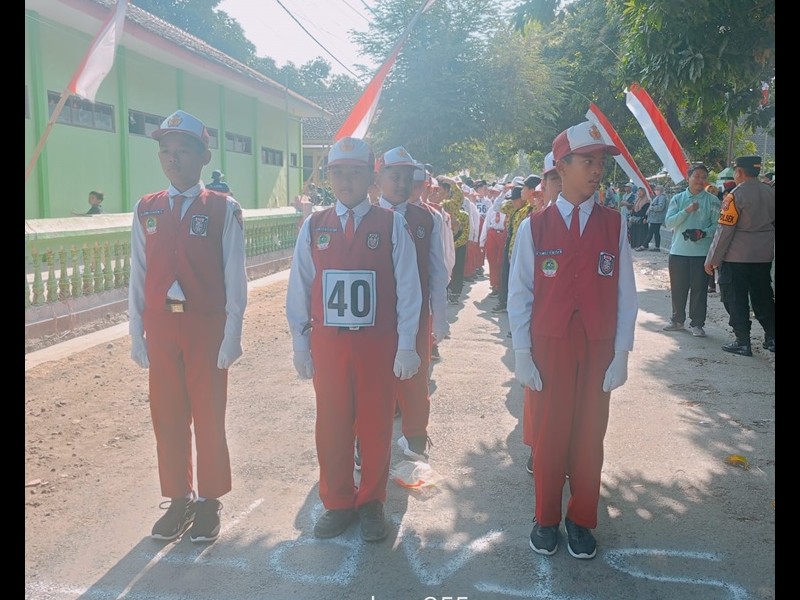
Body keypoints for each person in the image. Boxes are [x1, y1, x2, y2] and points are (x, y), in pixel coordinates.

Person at [507, 121, 637, 560]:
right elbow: (520, 294)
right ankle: (545, 517)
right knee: (549, 435)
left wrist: (622, 352)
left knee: (589, 435)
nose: (597, 170)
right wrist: (522, 353)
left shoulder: (614, 225)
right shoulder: (535, 227)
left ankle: (581, 518)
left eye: (600, 162)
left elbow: (626, 293)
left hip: (597, 345)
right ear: (561, 166)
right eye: (587, 161)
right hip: (550, 345)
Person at [285, 136, 422, 543]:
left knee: (376, 424)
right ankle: (338, 500)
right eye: (338, 172)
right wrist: (299, 343)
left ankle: (371, 501)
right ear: (328, 177)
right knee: (331, 424)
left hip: (376, 343)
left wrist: (407, 343)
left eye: (356, 173)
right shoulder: (315, 225)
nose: (346, 181)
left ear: (371, 178)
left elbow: (408, 287)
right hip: (329, 344)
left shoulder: (390, 224)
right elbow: (299, 286)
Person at [128, 109, 248, 544]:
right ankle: (178, 499)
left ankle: (209, 501)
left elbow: (235, 275)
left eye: (182, 150)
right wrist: (135, 331)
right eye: (166, 150)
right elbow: (138, 273)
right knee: (167, 416)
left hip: (205, 328)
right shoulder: (147, 208)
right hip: (161, 327)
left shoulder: (222, 208)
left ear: (203, 156)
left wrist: (233, 334)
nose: (173, 158)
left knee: (208, 415)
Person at [375, 147, 449, 462]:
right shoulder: (367, 217)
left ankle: (416, 436)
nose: (402, 184)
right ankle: (365, 441)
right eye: (395, 176)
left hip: (416, 315)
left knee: (416, 378)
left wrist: (440, 317)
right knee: (372, 377)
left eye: (407, 177)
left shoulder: (426, 219)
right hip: (376, 316)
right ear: (379, 178)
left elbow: (437, 271)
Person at [705, 155, 775, 356]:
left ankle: (742, 341)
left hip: (736, 257)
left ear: (739, 172)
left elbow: (724, 231)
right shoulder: (770, 192)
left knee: (735, 298)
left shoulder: (735, 195)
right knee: (763, 296)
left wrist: (712, 259)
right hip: (763, 257)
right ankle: (772, 337)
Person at [520, 151, 561, 475]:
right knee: (539, 392)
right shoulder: (534, 225)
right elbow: (521, 288)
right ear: (544, 185)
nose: (562, 184)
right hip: (542, 327)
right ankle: (537, 447)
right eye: (555, 178)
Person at [662, 163, 720, 337]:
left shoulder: (713, 201)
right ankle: (677, 320)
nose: (700, 180)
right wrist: (686, 211)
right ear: (688, 177)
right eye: (696, 176)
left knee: (699, 290)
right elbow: (669, 222)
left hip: (701, 254)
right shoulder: (678, 199)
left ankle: (697, 324)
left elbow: (717, 226)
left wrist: (703, 233)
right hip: (678, 252)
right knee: (678, 288)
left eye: (703, 177)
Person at [636, 184, 667, 251]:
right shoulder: (657, 197)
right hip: (655, 218)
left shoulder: (662, 197)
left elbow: (660, 207)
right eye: (655, 190)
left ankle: (643, 246)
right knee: (656, 233)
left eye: (657, 190)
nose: (656, 191)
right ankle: (657, 247)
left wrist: (651, 208)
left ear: (661, 190)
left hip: (657, 218)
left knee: (650, 232)